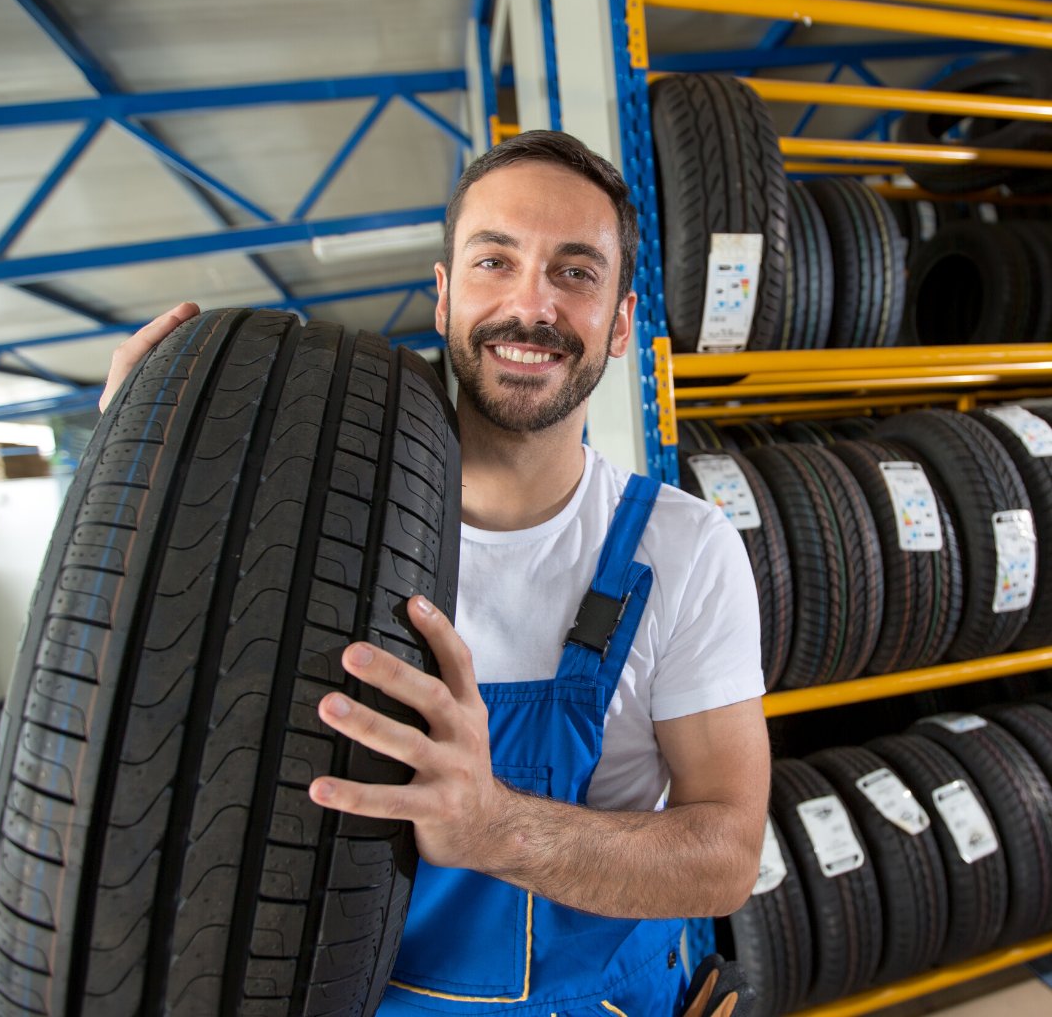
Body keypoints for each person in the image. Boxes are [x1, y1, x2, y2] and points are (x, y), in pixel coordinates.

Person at [101, 130, 770, 1017]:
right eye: (496, 261)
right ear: (446, 293)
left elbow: (726, 857)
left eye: (575, 273)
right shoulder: (311, 531)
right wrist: (139, 478)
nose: (531, 305)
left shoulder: (683, 551)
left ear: (618, 323)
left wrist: (498, 829)